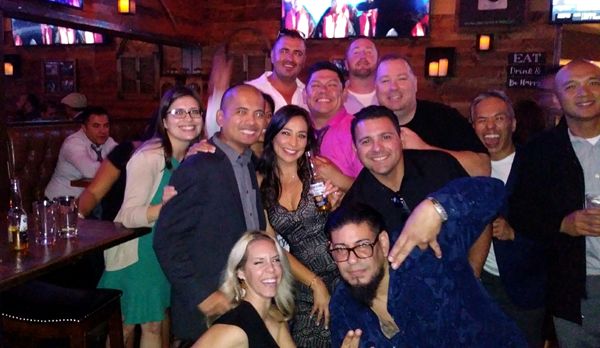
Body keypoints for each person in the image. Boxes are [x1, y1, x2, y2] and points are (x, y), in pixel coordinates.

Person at [328, 185, 527, 347]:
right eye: (340, 249)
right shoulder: (342, 308)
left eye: (362, 246)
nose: (351, 260)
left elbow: (494, 192)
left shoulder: (424, 254)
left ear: (383, 242)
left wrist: (437, 208)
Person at [154, 84, 268, 343]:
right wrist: (202, 296)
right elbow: (166, 241)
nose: (252, 121)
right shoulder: (200, 166)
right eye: (241, 111)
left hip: (238, 297)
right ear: (220, 118)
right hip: (209, 305)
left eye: (259, 114)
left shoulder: (246, 162)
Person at [98, 86, 204, 347]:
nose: (188, 118)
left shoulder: (190, 155)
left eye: (194, 112)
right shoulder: (148, 156)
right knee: (124, 327)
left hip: (165, 250)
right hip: (138, 252)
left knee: (154, 324)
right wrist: (166, 207)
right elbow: (128, 217)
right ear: (164, 120)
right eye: (178, 112)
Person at [508, 59, 600, 347]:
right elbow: (520, 213)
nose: (584, 92)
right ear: (557, 99)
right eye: (571, 87)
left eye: (593, 83)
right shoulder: (539, 152)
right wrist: (562, 223)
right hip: (576, 286)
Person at [340, 105, 488, 276]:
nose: (377, 148)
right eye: (366, 141)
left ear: (401, 138)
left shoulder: (439, 166)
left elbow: (481, 214)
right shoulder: (355, 205)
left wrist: (473, 275)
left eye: (386, 137)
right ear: (354, 148)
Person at [257, 105, 340, 347]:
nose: (293, 142)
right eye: (286, 132)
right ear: (272, 136)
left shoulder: (319, 170)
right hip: (302, 278)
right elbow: (273, 245)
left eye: (301, 135)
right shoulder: (260, 182)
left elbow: (361, 189)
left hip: (343, 270)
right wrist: (315, 283)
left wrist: (339, 204)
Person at [470, 90, 547, 347]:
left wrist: (516, 234)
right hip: (481, 285)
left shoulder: (537, 164)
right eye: (482, 120)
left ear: (513, 124)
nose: (490, 126)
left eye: (499, 118)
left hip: (525, 288)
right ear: (473, 126)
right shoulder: (467, 167)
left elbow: (557, 229)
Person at [374, 54, 490, 176]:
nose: (393, 87)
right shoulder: (366, 126)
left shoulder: (444, 117)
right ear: (376, 88)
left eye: (402, 79)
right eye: (385, 81)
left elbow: (482, 169)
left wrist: (424, 148)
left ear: (415, 84)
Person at [192, 231, 296, 348]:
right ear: (240, 272)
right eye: (258, 262)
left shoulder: (275, 316)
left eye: (275, 260)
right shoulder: (235, 328)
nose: (271, 269)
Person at [205, 29, 307, 137]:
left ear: (304, 60)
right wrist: (218, 94)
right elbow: (216, 130)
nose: (290, 59)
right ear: (272, 56)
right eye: (284, 51)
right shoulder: (249, 90)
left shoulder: (311, 97)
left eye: (297, 53)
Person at [304, 61, 362, 190]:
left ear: (344, 94)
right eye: (315, 85)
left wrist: (338, 178)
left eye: (332, 85)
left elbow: (375, 191)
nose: (323, 91)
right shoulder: (296, 130)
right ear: (304, 95)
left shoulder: (359, 130)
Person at [45, 106, 117, 199]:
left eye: (106, 126)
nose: (102, 131)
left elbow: (126, 158)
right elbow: (90, 171)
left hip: (88, 202)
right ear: (84, 128)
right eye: (96, 126)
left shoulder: (108, 141)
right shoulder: (73, 143)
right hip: (60, 202)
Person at [343, 37, 379, 115]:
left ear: (378, 62)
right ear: (346, 64)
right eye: (356, 52)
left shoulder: (388, 95)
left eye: (369, 52)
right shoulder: (335, 98)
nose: (363, 56)